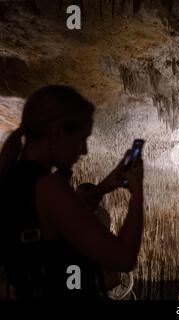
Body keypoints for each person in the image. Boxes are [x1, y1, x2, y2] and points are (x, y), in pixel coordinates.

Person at [0, 85, 144, 299]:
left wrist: (104, 186)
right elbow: (123, 258)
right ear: (57, 132)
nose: (84, 150)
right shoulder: (50, 187)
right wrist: (137, 194)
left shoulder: (14, 178)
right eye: (82, 139)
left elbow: (61, 222)